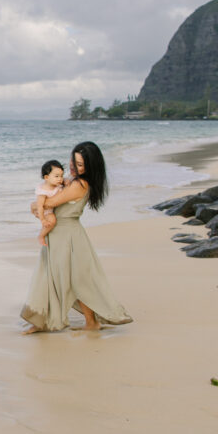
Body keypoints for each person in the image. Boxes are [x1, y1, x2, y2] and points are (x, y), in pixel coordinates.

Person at [20, 141, 132, 332]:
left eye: (79, 164)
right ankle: (45, 320)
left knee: (73, 279)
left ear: (89, 167)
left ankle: (87, 322)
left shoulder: (79, 184)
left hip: (68, 236)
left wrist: (36, 205)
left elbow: (49, 202)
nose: (73, 166)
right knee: (54, 277)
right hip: (59, 234)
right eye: (73, 161)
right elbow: (48, 203)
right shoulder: (70, 181)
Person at [33, 159, 65, 247]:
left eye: (62, 176)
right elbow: (39, 206)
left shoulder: (57, 186)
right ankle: (41, 235)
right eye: (57, 176)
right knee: (52, 221)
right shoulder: (43, 191)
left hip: (52, 208)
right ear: (46, 177)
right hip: (46, 211)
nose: (60, 179)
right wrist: (42, 219)